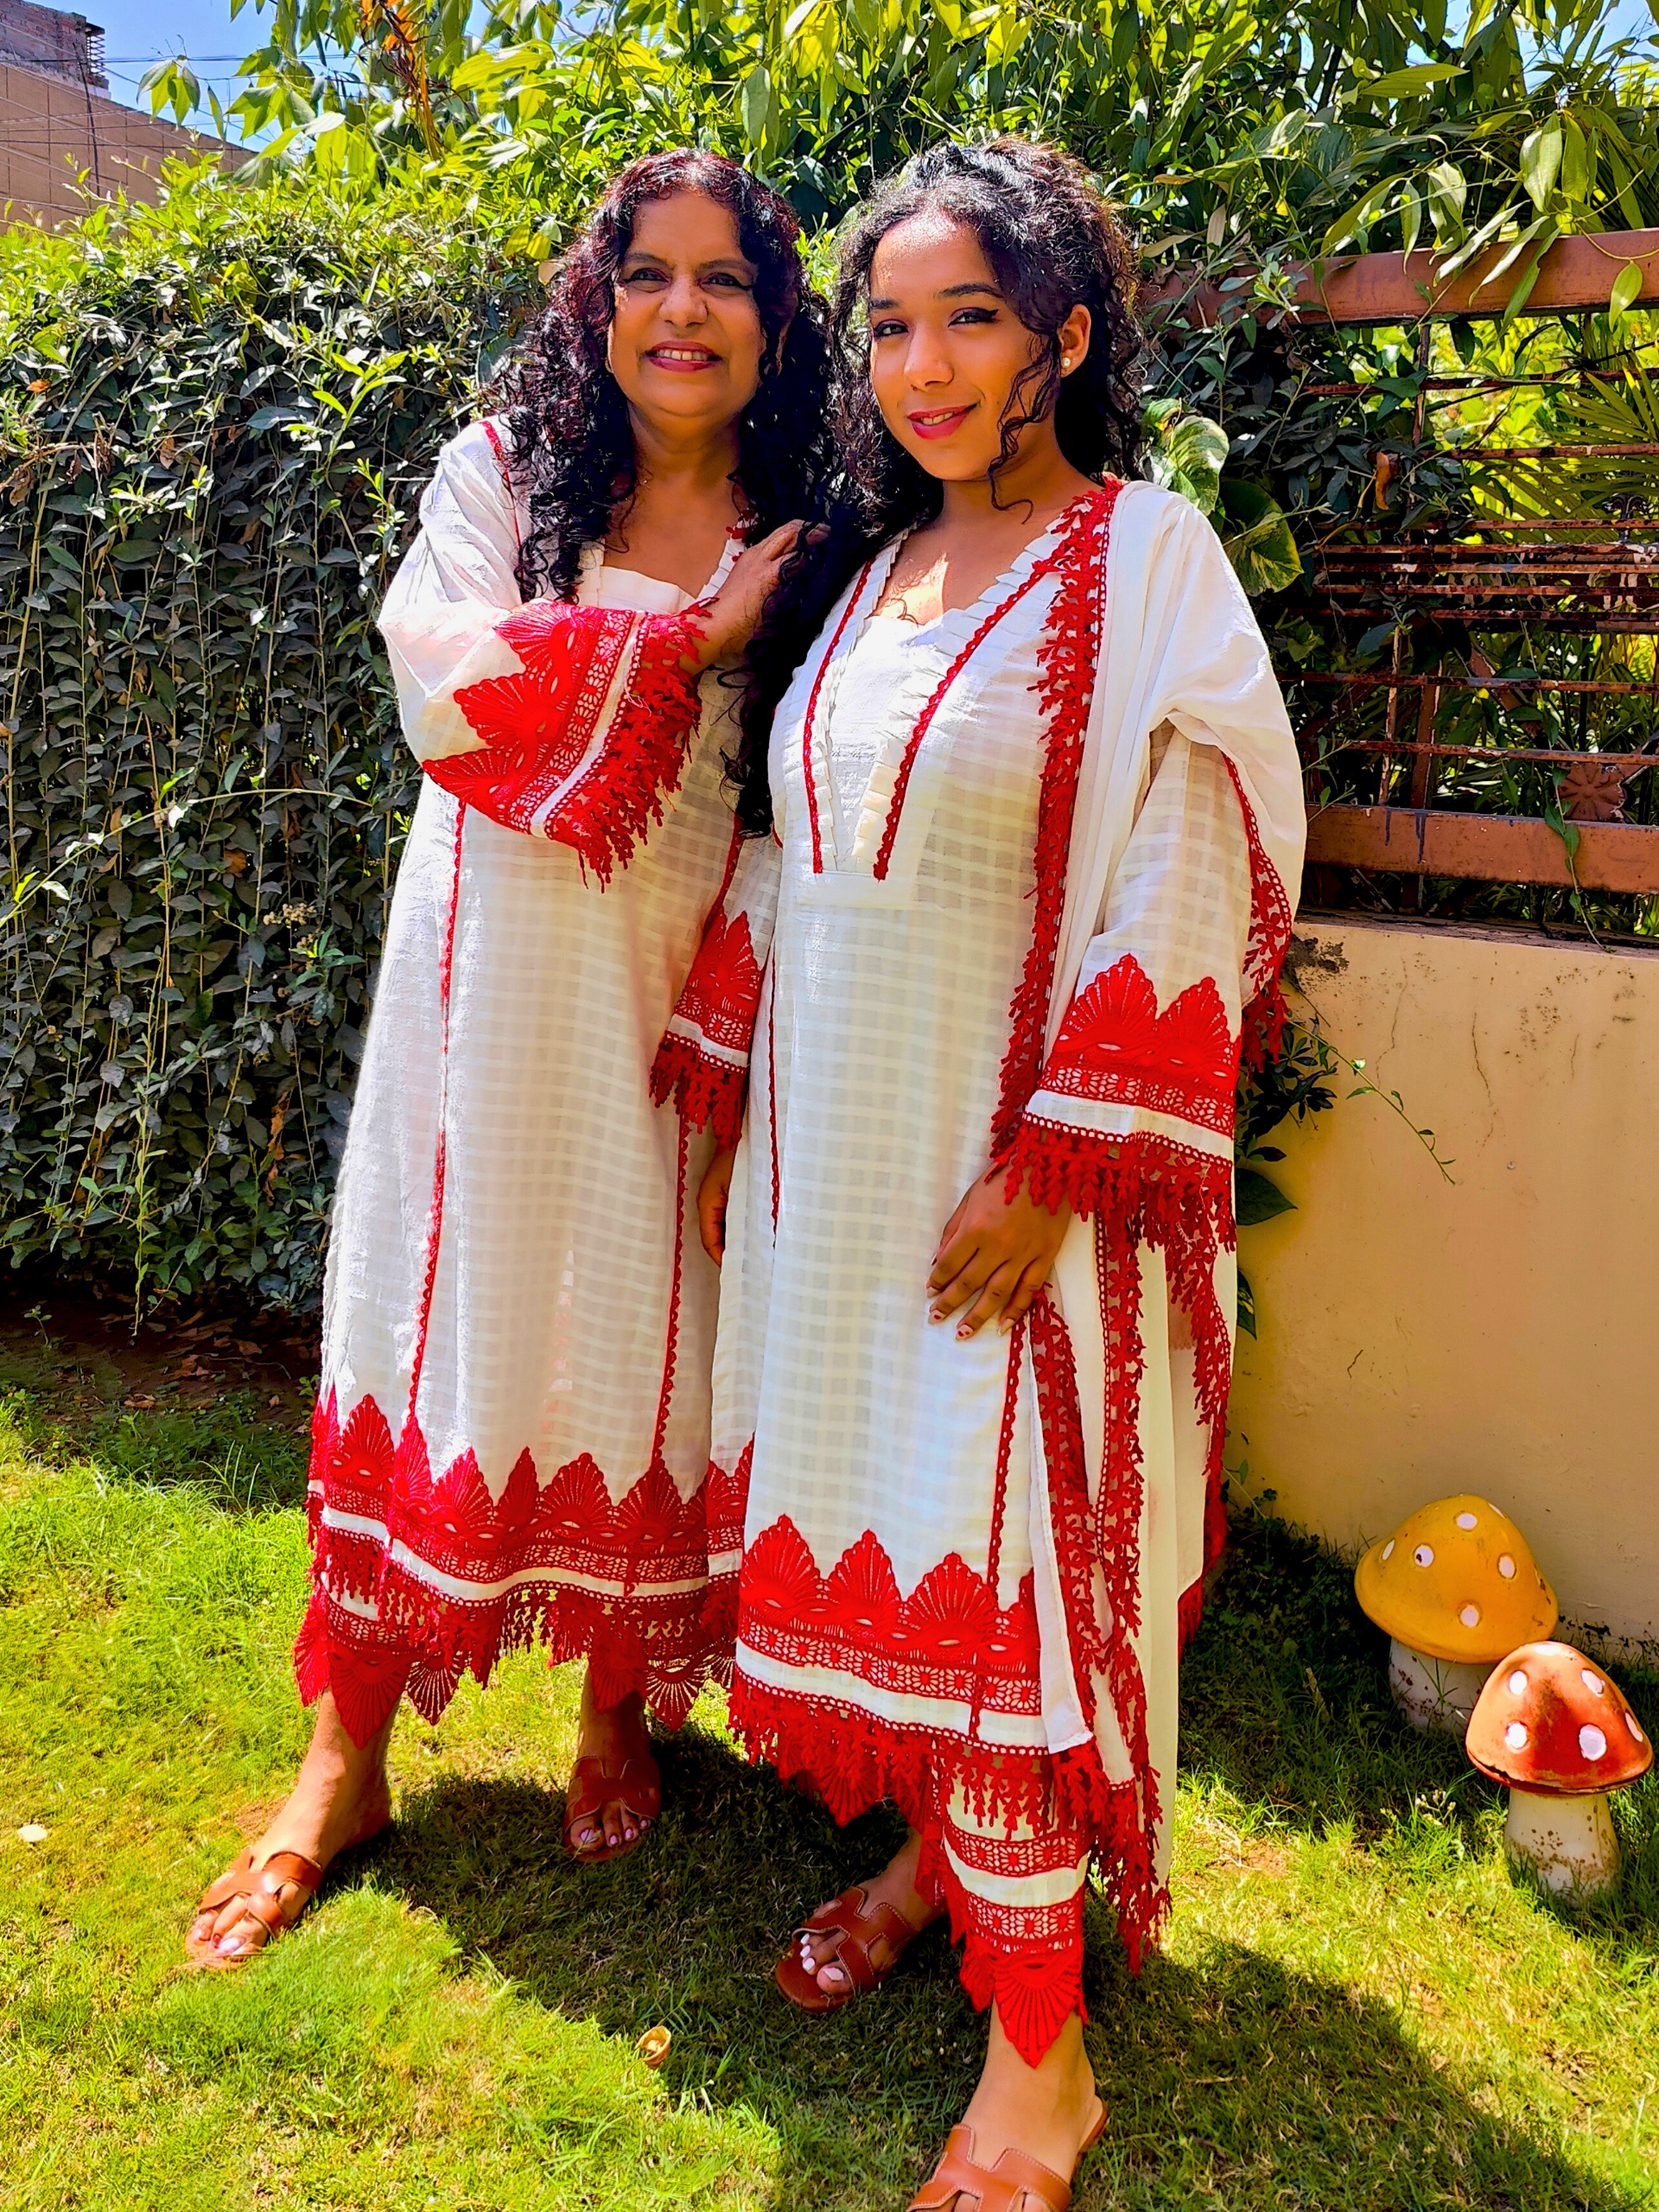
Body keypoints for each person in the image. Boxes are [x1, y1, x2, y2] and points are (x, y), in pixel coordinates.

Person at [662, 139, 1303, 2209]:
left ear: (1067, 335)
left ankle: (1046, 2073)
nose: (925, 364)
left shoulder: (1144, 564)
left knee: (1007, 1576)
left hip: (1021, 1204)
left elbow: (1198, 850)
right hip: (840, 1181)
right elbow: (795, 846)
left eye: (975, 318)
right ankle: (940, 1861)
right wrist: (722, 1070)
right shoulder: (866, 574)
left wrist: (1062, 1160)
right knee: (898, 1539)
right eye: (897, 325)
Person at [186, 150, 828, 1967]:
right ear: (599, 298)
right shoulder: (502, 479)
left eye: (723, 279)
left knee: (643, 1323)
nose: (682, 310)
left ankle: (617, 1699)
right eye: (649, 274)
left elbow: (810, 782)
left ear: (776, 318)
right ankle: (347, 1751)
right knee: (431, 1303)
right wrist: (682, 638)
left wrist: (736, 987)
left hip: (673, 984)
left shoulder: (814, 529)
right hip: (480, 977)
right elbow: (440, 678)